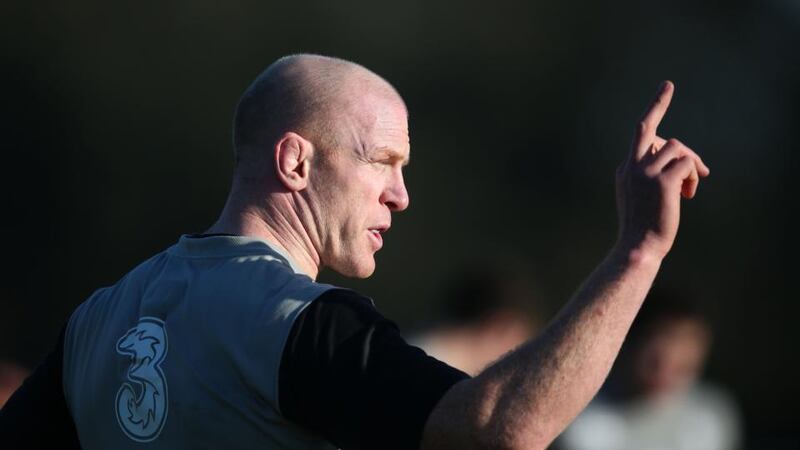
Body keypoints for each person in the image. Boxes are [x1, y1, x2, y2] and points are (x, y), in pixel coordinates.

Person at [0, 54, 710, 450]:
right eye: (383, 161)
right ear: (295, 162)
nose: (401, 196)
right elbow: (499, 430)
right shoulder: (287, 321)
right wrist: (637, 253)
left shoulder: (98, 319)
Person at [556, 288, 742, 450]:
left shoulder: (712, 416)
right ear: (628, 343)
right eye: (654, 363)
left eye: (681, 369)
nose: (665, 375)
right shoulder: (581, 420)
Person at [409, 265, 542, 375]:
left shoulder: (416, 354)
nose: (517, 355)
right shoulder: (435, 379)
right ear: (498, 328)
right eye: (517, 343)